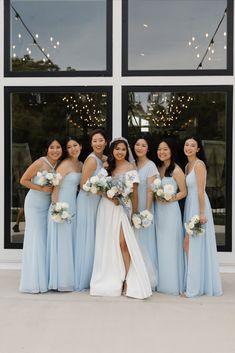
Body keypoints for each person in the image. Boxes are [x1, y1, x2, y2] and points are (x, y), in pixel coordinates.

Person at [90, 137, 152, 299]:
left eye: (123, 149)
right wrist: (108, 195)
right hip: (106, 208)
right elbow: (96, 188)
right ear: (112, 150)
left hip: (123, 209)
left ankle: (126, 279)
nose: (120, 152)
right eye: (117, 149)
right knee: (108, 244)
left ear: (127, 151)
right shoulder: (106, 167)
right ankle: (112, 277)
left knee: (124, 244)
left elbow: (135, 193)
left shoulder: (131, 167)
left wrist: (134, 213)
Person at [19, 138, 63, 293]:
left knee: (44, 240)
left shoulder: (59, 165)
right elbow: (23, 180)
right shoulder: (40, 162)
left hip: (47, 205)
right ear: (47, 149)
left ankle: (43, 278)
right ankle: (32, 282)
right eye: (52, 147)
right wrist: (41, 188)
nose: (55, 150)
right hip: (34, 203)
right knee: (35, 238)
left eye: (58, 147)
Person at [183, 136, 222, 297]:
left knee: (193, 245)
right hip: (189, 204)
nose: (189, 148)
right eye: (187, 145)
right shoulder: (187, 165)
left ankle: (194, 288)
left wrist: (201, 213)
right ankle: (194, 283)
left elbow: (200, 190)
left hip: (198, 206)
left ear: (198, 149)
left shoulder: (199, 165)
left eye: (193, 145)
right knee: (188, 245)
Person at [47, 136, 83, 291]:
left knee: (70, 241)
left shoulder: (81, 164)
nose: (73, 149)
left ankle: (69, 277)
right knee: (61, 242)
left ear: (80, 146)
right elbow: (55, 187)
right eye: (69, 147)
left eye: (75, 145)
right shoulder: (64, 164)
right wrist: (56, 208)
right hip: (61, 205)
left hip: (73, 206)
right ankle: (60, 281)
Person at [74, 129, 108, 291]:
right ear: (91, 143)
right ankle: (82, 276)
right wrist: (103, 192)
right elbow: (83, 184)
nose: (98, 143)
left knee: (93, 237)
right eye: (95, 141)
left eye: (101, 140)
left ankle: (91, 274)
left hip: (95, 201)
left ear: (106, 142)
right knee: (86, 237)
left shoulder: (103, 160)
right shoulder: (92, 160)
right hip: (87, 200)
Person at [155, 138, 186, 295]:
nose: (162, 152)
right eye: (159, 149)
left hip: (171, 211)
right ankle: (161, 282)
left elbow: (183, 191)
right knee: (160, 246)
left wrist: (169, 198)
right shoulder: (159, 168)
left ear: (171, 151)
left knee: (171, 246)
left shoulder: (177, 170)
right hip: (158, 212)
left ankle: (173, 284)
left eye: (165, 149)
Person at [132, 136, 159, 290]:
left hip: (144, 208)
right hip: (133, 207)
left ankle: (147, 277)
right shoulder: (132, 164)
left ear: (148, 149)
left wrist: (147, 212)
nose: (139, 147)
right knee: (134, 240)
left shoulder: (151, 166)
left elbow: (150, 190)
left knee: (144, 241)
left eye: (143, 145)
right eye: (137, 144)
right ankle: (134, 274)